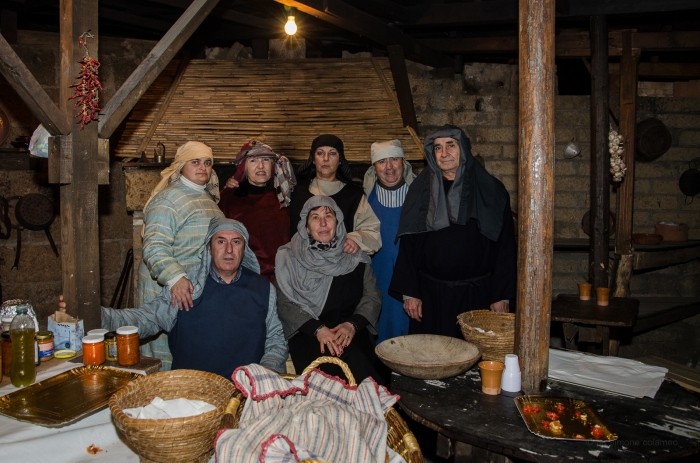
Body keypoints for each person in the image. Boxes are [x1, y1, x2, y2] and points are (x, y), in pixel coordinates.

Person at [60, 217, 288, 378]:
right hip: (190, 391)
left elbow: (276, 339)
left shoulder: (261, 288)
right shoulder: (187, 287)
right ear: (208, 248)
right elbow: (145, 319)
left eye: (236, 242)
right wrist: (92, 314)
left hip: (244, 392)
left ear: (244, 249)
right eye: (221, 241)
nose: (228, 249)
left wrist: (265, 374)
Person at [389, 125, 517, 339]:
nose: (444, 153)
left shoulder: (491, 190)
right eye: (437, 148)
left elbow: (505, 247)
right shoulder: (420, 190)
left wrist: (502, 296)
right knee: (431, 361)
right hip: (431, 297)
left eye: (450, 145)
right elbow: (408, 244)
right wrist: (410, 292)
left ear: (464, 150)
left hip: (477, 297)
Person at [275, 196, 384, 384]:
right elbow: (285, 303)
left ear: (338, 221)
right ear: (306, 227)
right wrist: (318, 330)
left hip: (351, 331)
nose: (323, 223)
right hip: (309, 332)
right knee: (325, 378)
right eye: (315, 217)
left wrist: (353, 325)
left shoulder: (356, 257)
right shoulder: (289, 257)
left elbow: (372, 296)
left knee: (363, 369)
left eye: (328, 215)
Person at [137, 141, 224, 369]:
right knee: (163, 349)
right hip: (167, 286)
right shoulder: (168, 199)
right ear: (181, 166)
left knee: (186, 349)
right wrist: (175, 278)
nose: (203, 167)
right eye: (195, 161)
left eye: (207, 163)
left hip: (192, 287)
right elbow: (155, 245)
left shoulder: (208, 200)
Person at [289, 134, 381, 255]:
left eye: (332, 153)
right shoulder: (296, 192)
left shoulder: (353, 195)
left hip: (341, 268)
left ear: (340, 161)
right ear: (313, 159)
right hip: (300, 268)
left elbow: (372, 230)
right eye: (320, 153)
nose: (326, 158)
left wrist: (356, 240)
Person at [218, 140, 296, 282]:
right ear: (244, 167)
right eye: (253, 160)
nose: (260, 166)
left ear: (272, 165)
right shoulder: (229, 198)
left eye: (265, 160)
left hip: (284, 278)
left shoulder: (284, 197)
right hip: (244, 278)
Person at [362, 140, 416, 343]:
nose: (389, 167)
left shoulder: (420, 198)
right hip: (377, 284)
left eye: (394, 159)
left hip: (411, 286)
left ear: (404, 163)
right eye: (382, 162)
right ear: (374, 168)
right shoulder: (365, 199)